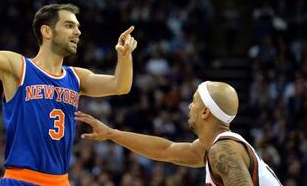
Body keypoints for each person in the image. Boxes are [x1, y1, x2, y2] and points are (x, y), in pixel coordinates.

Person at [0, 0, 137, 186]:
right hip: (21, 179)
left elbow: (120, 86)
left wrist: (125, 57)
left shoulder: (77, 77)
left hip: (60, 181)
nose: (78, 32)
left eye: (78, 27)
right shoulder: (18, 68)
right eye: (69, 26)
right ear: (46, 31)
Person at [75, 81, 283, 186]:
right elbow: (166, 150)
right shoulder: (212, 147)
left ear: (205, 112)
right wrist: (112, 133)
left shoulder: (223, 150)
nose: (189, 106)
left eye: (194, 101)